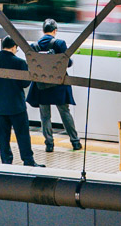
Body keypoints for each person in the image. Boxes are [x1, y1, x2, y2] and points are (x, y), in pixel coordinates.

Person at [30, 19, 82, 152]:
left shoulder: (35, 46)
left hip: (41, 86)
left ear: (43, 30)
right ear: (55, 30)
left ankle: (49, 144)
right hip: (59, 84)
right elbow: (67, 63)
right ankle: (75, 142)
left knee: (45, 116)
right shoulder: (60, 43)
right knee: (65, 113)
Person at [0, 36, 38, 166]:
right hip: (17, 107)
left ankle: (6, 161)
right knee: (23, 135)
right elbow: (25, 83)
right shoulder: (19, 63)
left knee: (4, 136)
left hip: (0, 107)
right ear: (14, 47)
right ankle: (28, 160)